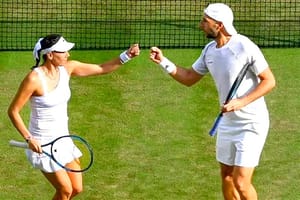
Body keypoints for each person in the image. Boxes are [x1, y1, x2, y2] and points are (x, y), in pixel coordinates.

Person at [150, 3, 275, 200]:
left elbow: (269, 81)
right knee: (226, 176)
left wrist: (241, 102)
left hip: (252, 124)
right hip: (228, 123)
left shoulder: (244, 46)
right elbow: (190, 77)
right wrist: (163, 62)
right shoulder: (209, 50)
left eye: (205, 21)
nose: (201, 25)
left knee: (241, 183)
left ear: (219, 25)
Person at [7, 34, 140, 200]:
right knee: (65, 190)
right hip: (43, 143)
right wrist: (29, 138)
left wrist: (127, 55)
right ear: (50, 55)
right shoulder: (34, 79)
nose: (68, 54)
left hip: (63, 140)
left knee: (76, 188)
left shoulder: (68, 68)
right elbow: (13, 111)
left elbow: (101, 68)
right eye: (63, 52)